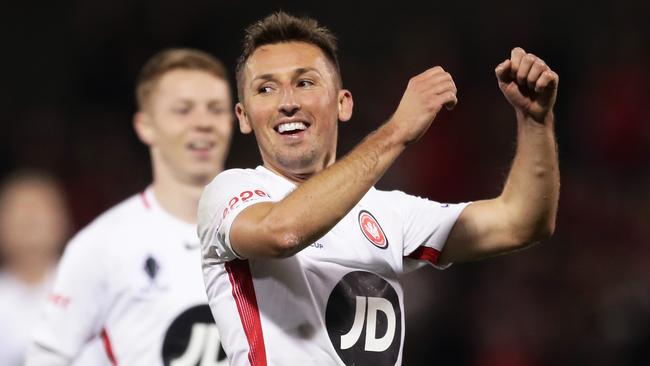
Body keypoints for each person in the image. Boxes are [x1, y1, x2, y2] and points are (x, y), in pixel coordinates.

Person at [197, 11, 560, 366]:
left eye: (305, 82)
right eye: (266, 88)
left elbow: (522, 221)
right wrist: (397, 130)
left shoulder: (391, 215)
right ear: (244, 117)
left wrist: (535, 121)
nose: (287, 102)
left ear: (343, 104)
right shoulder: (230, 194)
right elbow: (283, 232)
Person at [27, 48, 234, 365]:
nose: (203, 122)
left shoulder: (275, 227)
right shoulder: (102, 244)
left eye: (216, 109)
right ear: (145, 126)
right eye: (183, 110)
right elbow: (47, 356)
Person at [0, 171, 71, 365]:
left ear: (62, 220)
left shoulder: (88, 292)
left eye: (39, 210)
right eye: (19, 210)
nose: (29, 220)